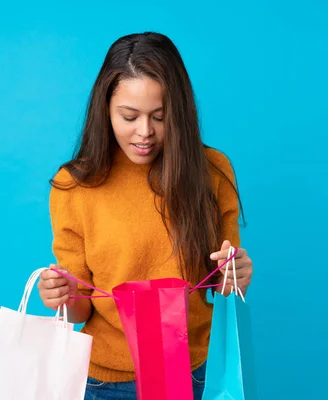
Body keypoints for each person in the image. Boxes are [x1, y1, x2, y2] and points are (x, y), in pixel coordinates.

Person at [38, 31, 253, 400]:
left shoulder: (213, 172)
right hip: (105, 382)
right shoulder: (74, 185)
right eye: (129, 116)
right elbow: (78, 311)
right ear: (105, 109)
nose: (145, 133)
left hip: (191, 374)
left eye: (159, 116)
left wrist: (238, 274)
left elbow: (223, 286)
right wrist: (62, 294)